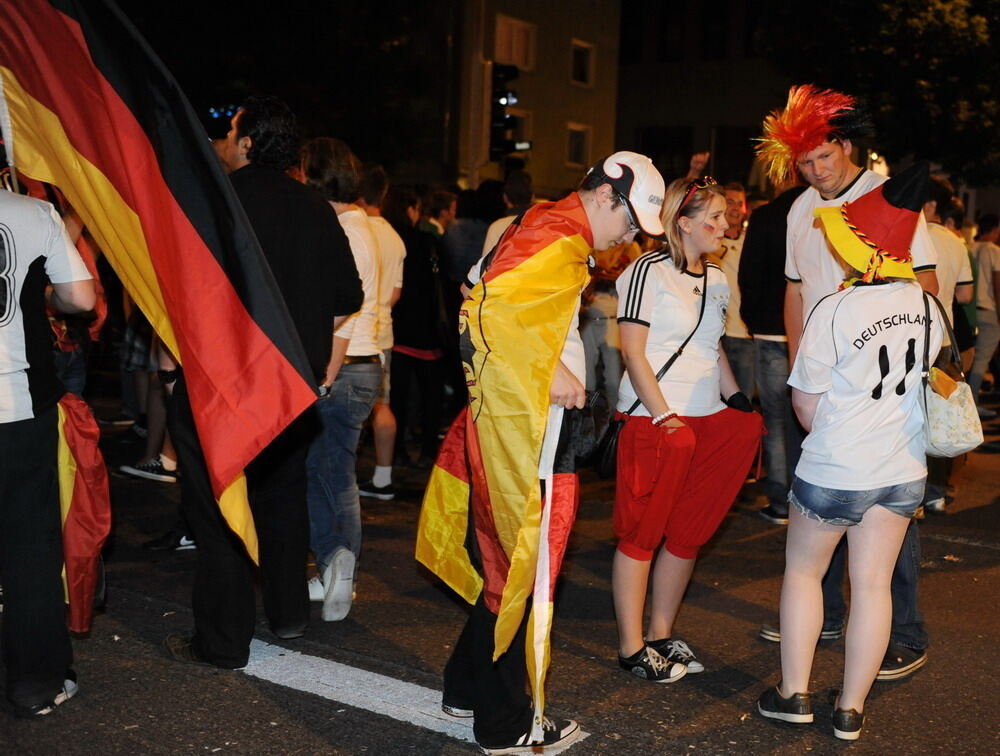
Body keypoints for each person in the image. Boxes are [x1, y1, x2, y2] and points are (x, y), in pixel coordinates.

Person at [417, 152, 667, 754]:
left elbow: (474, 285)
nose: (627, 240)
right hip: (527, 426)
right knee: (526, 564)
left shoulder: (542, 223)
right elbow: (484, 308)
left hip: (511, 420)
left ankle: (467, 685)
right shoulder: (557, 236)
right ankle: (506, 725)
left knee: (509, 560)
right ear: (607, 196)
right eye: (630, 224)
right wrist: (550, 367)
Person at [164, 96, 362, 668]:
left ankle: (223, 642)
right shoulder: (316, 208)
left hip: (222, 382)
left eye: (229, 132)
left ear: (248, 143)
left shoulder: (217, 205)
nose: (223, 141)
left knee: (219, 505)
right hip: (291, 383)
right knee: (281, 497)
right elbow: (349, 295)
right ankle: (288, 613)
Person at [756, 163, 944, 742]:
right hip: (903, 467)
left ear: (861, 251)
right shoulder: (928, 307)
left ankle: (794, 694)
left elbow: (805, 407)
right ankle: (850, 709)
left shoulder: (835, 310)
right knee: (873, 586)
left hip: (837, 466)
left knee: (804, 574)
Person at [612, 177, 763, 682]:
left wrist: (736, 399)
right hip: (655, 418)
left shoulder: (718, 275)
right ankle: (632, 647)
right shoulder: (645, 271)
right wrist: (663, 416)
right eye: (715, 218)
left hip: (705, 416)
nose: (726, 225)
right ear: (684, 222)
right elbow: (632, 351)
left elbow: (710, 343)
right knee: (642, 533)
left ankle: (659, 632)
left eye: (726, 217)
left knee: (688, 533)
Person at [1, 187, 96, 716]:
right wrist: (46, 297)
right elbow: (81, 298)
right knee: (28, 549)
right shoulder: (34, 212)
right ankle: (35, 683)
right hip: (16, 399)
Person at [301, 137, 382, 622]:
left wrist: (324, 374)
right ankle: (336, 567)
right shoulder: (361, 225)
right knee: (337, 472)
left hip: (344, 363)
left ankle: (337, 562)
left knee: (325, 474)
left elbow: (344, 311)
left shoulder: (346, 230)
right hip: (363, 364)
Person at [738, 180, 808, 524]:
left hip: (770, 331)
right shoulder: (821, 211)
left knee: (777, 419)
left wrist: (753, 319)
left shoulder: (766, 217)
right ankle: (808, 496)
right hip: (812, 332)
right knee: (808, 418)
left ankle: (782, 499)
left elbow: (747, 275)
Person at [383, 186, 448, 468]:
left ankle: (395, 450)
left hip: (396, 326)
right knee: (430, 396)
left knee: (396, 395)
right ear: (411, 210)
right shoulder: (427, 242)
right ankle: (428, 450)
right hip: (426, 328)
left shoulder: (388, 239)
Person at [357, 163, 404, 498]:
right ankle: (383, 477)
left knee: (345, 410)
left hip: (353, 330)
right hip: (382, 332)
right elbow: (395, 294)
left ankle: (340, 478)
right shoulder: (394, 237)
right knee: (381, 404)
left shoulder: (353, 228)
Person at [716, 182, 755, 397]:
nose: (734, 208)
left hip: (743, 334)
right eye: (729, 202)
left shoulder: (751, 242)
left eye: (739, 204)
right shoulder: (709, 242)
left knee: (743, 401)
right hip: (715, 335)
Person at [969, 214, 1000, 418]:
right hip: (989, 310)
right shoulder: (994, 250)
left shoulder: (969, 247)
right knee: (982, 358)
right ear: (994, 229)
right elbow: (997, 283)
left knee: (972, 357)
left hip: (970, 311)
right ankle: (972, 403)